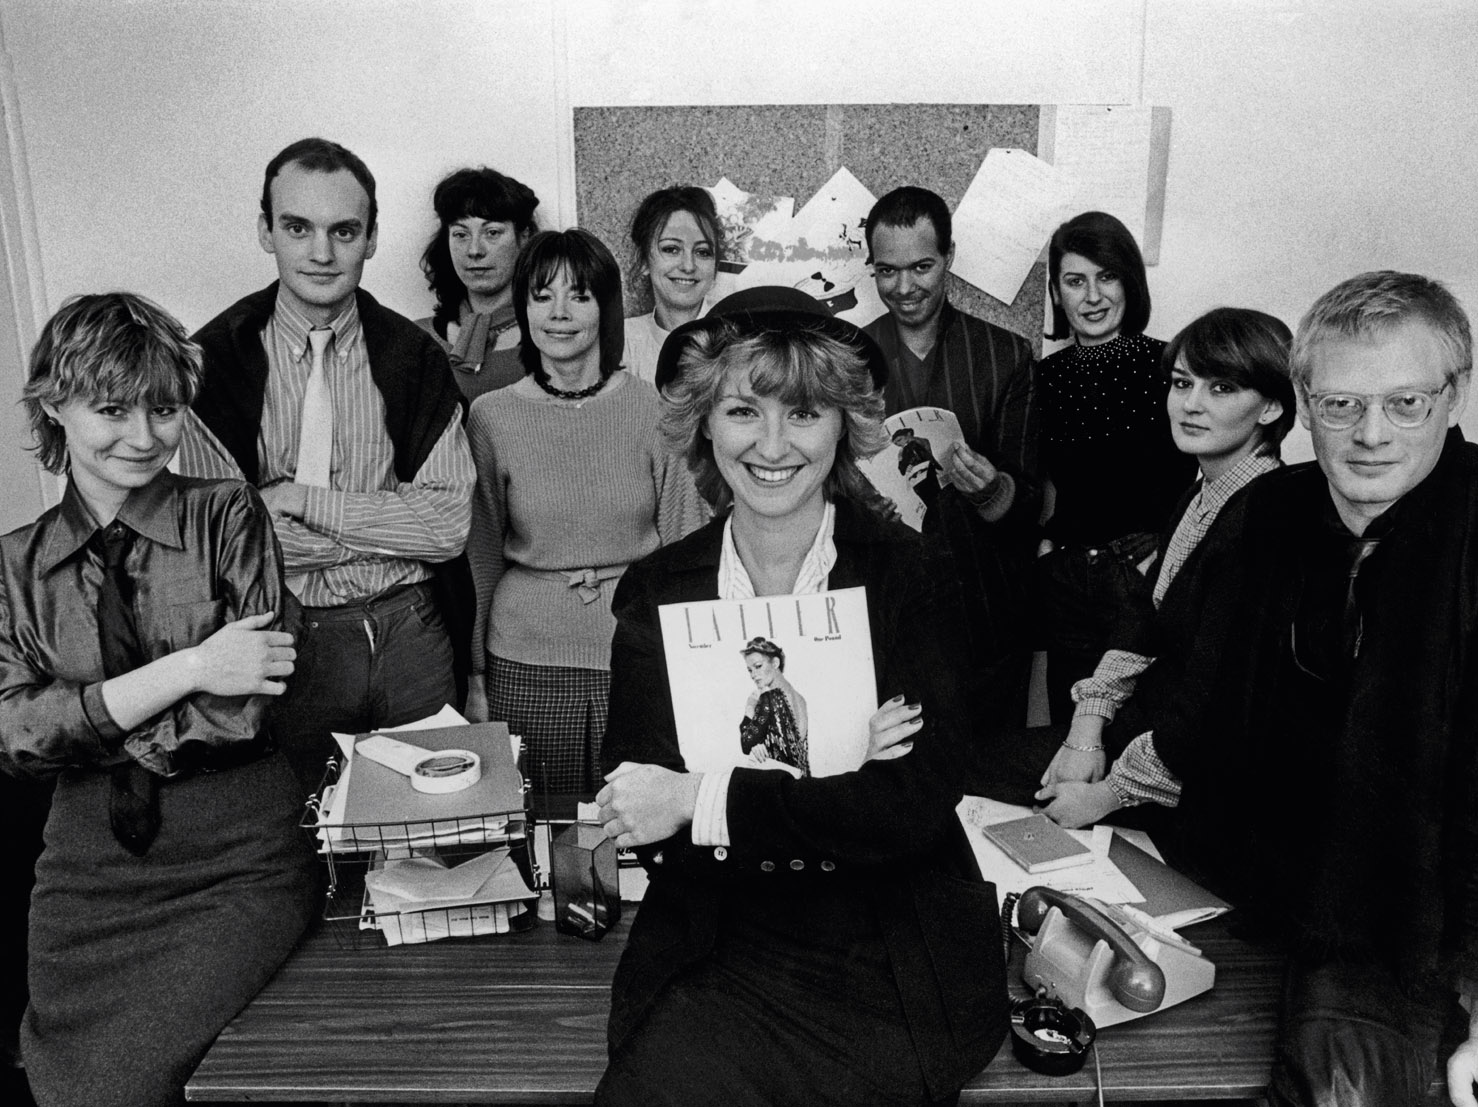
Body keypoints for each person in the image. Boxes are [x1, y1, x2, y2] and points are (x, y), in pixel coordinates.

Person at [594, 287, 1007, 1105]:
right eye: (745, 411)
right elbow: (640, 811)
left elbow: (913, 806)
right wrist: (841, 773)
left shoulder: (910, 575)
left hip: (885, 948)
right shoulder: (659, 588)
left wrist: (702, 797)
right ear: (705, 423)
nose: (773, 445)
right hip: (718, 940)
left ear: (846, 426)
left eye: (806, 413)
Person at [1158, 273, 1478, 1107]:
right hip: (1249, 891)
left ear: (1455, 395)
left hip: (1415, 931)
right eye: (1340, 405)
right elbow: (1201, 711)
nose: (1370, 434)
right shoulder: (1271, 510)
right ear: (1302, 402)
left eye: (1405, 402)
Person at [0, 293, 315, 1107]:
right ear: (53, 407)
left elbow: (246, 709)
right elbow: (16, 738)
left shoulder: (227, 514)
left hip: (236, 857)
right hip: (86, 876)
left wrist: (79, 713)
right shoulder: (13, 567)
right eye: (111, 409)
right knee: (68, 1082)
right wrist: (192, 667)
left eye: (165, 409)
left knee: (152, 1078)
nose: (143, 436)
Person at [174, 137, 476, 795]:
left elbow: (448, 525)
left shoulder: (413, 356)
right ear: (265, 231)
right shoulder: (212, 363)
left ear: (370, 239)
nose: (321, 252)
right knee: (304, 840)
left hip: (412, 630)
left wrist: (300, 500)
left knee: (433, 832)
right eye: (297, 228)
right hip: (289, 636)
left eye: (344, 231)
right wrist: (384, 518)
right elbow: (226, 541)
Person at [1021, 307, 1294, 829]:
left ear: (1271, 406)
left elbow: (1212, 701)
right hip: (1145, 734)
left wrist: (1106, 795)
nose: (1190, 405)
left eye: (1221, 389)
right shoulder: (1204, 492)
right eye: (1181, 383)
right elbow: (1143, 614)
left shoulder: (1261, 520)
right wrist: (1086, 727)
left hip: (1190, 775)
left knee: (980, 789)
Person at [464, 229, 703, 793]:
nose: (559, 314)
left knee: (633, 833)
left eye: (579, 295)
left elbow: (685, 546)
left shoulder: (655, 410)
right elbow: (480, 558)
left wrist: (690, 667)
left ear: (606, 307)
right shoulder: (491, 417)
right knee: (539, 836)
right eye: (542, 296)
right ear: (522, 309)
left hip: (636, 654)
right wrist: (476, 676)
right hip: (523, 657)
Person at [863, 186, 1042, 719]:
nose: (904, 286)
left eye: (921, 266)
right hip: (884, 615)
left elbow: (1031, 502)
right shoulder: (847, 358)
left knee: (988, 785)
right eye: (887, 271)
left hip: (984, 614)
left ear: (949, 258)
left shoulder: (1005, 355)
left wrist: (994, 491)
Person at [1035, 210, 1197, 722]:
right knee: (1068, 730)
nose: (1093, 296)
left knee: (1135, 729)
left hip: (1141, 580)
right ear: (1057, 293)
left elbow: (1212, 470)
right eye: (1075, 281)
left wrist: (1162, 538)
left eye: (1107, 277)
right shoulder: (1044, 377)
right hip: (1066, 580)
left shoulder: (1173, 366)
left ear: (1130, 282)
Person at [416, 166, 541, 402]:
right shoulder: (417, 339)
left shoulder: (550, 336)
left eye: (492, 232)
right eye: (461, 234)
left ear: (523, 237)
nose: (474, 250)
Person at [622, 186, 722, 384]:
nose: (688, 266)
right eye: (671, 249)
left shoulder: (740, 339)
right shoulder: (622, 341)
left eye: (702, 252)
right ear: (643, 262)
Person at [737, 637, 809, 776]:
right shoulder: (800, 699)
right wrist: (759, 743)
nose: (753, 675)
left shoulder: (768, 697)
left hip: (779, 782)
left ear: (775, 663)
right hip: (801, 781)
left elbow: (745, 743)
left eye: (758, 666)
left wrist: (749, 708)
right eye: (749, 670)